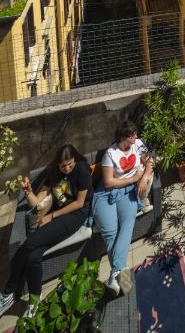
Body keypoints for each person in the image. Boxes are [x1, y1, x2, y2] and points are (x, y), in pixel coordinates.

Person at [0, 144, 92, 320]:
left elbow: (80, 203)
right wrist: (28, 192)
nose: (67, 168)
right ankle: (35, 299)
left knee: (30, 243)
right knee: (33, 257)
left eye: (70, 164)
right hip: (57, 216)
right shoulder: (54, 173)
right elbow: (37, 203)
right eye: (63, 165)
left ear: (75, 159)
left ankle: (8, 293)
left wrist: (52, 216)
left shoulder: (82, 170)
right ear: (57, 164)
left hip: (75, 216)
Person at [93, 121, 154, 296]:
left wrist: (143, 179)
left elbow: (150, 162)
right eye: (132, 134)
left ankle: (115, 277)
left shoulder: (138, 144)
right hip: (107, 194)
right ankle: (122, 276)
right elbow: (108, 182)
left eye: (136, 133)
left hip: (128, 193)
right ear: (123, 137)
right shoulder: (110, 154)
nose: (136, 137)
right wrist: (134, 179)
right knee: (112, 234)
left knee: (126, 227)